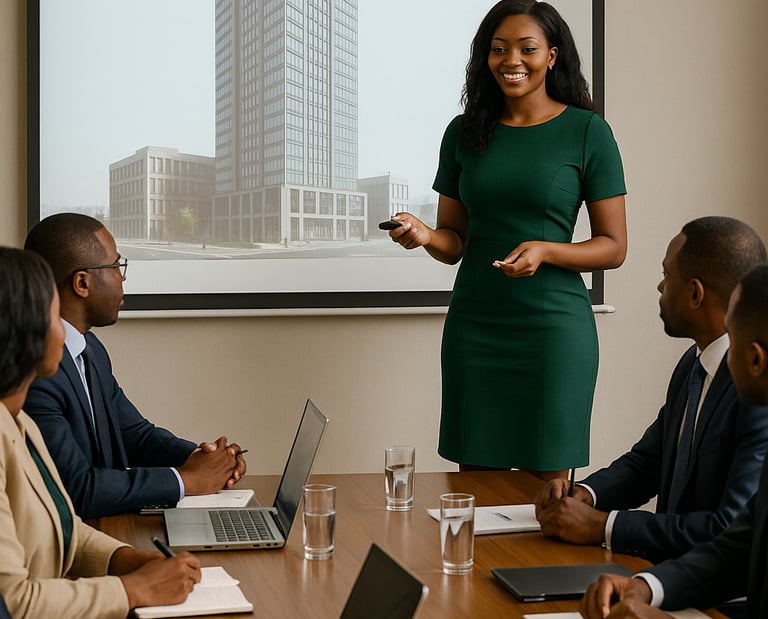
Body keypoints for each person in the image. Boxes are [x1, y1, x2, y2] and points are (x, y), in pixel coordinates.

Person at [387, 0, 627, 479]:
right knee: (477, 494)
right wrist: (424, 235)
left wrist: (547, 250)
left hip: (553, 332)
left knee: (549, 501)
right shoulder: (462, 133)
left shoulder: (588, 132)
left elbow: (614, 247)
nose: (511, 60)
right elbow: (455, 243)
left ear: (552, 55)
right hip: (476, 328)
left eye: (526, 48)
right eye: (498, 49)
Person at [534, 217, 768, 563]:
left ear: (694, 293)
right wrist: (586, 494)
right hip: (665, 576)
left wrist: (604, 526)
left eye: (666, 276)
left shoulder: (755, 392)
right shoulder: (693, 364)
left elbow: (727, 528)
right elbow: (649, 462)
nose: (660, 288)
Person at [0, 246, 201, 619]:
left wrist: (127, 559)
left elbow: (62, 528)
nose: (62, 323)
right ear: (23, 328)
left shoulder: (16, 420)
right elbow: (13, 604)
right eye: (51, 310)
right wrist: (134, 589)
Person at [23, 213, 247, 519]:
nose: (122, 277)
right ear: (82, 283)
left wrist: (205, 459)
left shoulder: (91, 351)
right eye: (116, 266)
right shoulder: (36, 371)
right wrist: (188, 480)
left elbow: (136, 436)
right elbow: (77, 488)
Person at [582, 263, 768, 618]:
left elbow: (724, 529)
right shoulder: (691, 367)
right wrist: (645, 586)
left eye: (734, 337)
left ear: (755, 358)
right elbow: (736, 549)